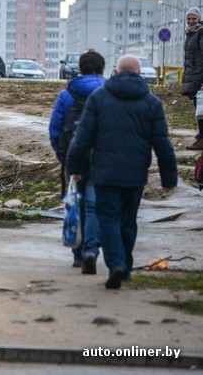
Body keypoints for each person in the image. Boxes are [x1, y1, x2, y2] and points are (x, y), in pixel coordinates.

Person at [66, 55, 178, 289]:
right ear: (139, 74)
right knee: (128, 221)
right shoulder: (151, 102)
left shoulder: (99, 98)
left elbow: (82, 138)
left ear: (116, 72)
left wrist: (74, 168)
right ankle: (124, 267)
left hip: (105, 174)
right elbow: (163, 143)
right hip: (135, 175)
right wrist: (169, 177)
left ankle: (116, 263)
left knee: (108, 219)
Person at [49, 49, 106, 274]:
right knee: (93, 205)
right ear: (102, 69)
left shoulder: (67, 94)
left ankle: (78, 254)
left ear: (80, 69)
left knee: (75, 204)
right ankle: (91, 248)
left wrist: (63, 157)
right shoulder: (108, 92)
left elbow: (55, 129)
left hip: (74, 157)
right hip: (102, 158)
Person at [182, 7, 203, 150]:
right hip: (194, 75)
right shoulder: (191, 33)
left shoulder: (200, 33)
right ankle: (201, 136)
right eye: (189, 18)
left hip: (199, 76)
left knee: (201, 109)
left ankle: (202, 138)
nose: (191, 21)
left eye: (194, 18)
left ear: (199, 19)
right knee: (199, 108)